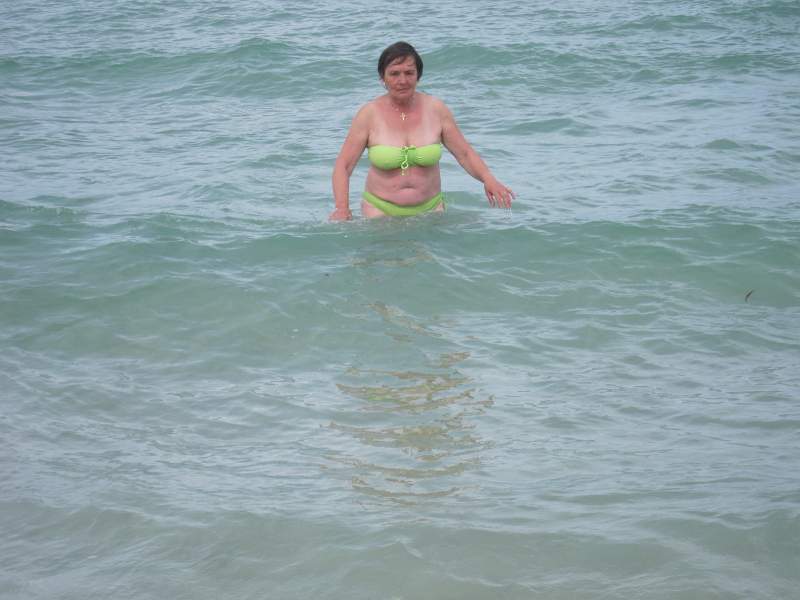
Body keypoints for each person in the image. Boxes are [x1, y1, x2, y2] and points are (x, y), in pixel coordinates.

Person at [330, 41, 515, 220]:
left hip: (431, 210)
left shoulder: (436, 109)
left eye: (409, 73)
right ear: (382, 78)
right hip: (379, 210)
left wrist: (488, 179)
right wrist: (342, 208)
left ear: (418, 75)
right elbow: (344, 165)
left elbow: (464, 153)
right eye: (394, 74)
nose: (402, 80)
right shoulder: (369, 114)